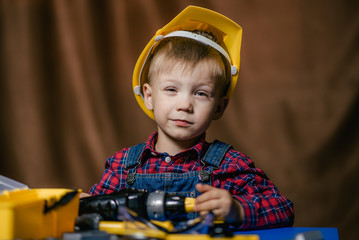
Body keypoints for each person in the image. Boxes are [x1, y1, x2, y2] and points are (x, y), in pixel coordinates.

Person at [86, 5, 294, 229]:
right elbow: (91, 212)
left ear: (219, 107)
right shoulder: (122, 167)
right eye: (171, 90)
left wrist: (238, 209)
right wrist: (82, 206)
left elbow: (283, 209)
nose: (185, 105)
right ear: (149, 96)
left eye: (200, 93)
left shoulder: (229, 165)